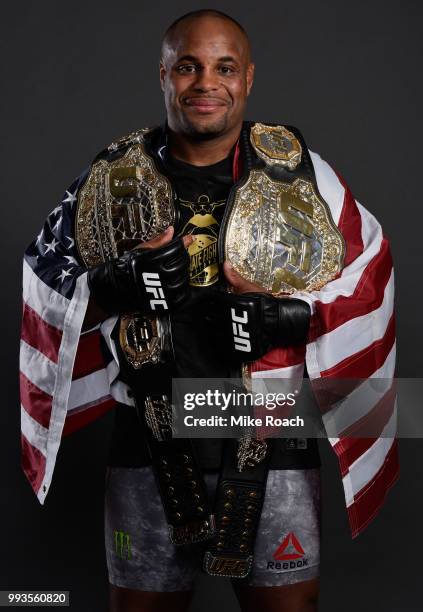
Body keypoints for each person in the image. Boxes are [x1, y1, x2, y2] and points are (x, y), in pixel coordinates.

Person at [20, 9, 398, 612]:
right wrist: (119, 283)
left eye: (224, 67)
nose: (205, 83)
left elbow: (369, 271)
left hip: (271, 440)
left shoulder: (301, 175)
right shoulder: (115, 177)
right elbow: (45, 280)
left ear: (247, 78)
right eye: (188, 67)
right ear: (164, 75)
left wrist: (288, 320)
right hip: (151, 438)